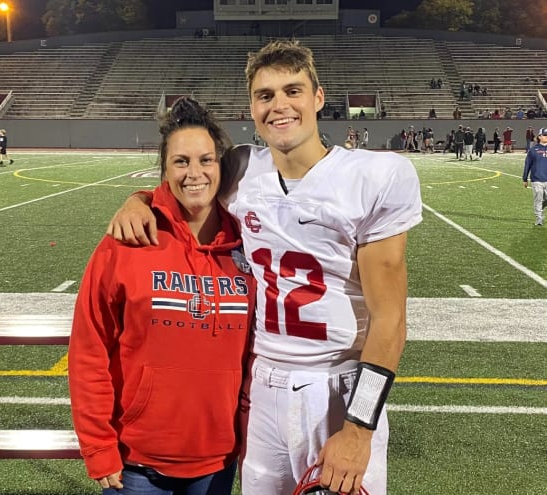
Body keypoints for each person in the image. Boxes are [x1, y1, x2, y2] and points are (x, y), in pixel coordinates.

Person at [107, 40, 422, 495]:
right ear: (252, 107)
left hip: (336, 385)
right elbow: (188, 183)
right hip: (263, 389)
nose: (280, 106)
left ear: (318, 97)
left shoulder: (373, 176)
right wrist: (139, 200)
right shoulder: (240, 169)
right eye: (266, 95)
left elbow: (390, 320)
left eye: (293, 91)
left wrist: (359, 430)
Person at [69, 96, 256, 495]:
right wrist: (98, 447)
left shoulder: (250, 242)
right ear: (165, 169)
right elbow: (89, 349)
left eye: (206, 160)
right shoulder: (128, 239)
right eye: (181, 162)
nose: (195, 173)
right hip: (137, 466)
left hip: (217, 462)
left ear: (220, 166)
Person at [522, 127, 547, 226]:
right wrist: (524, 178)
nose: (546, 137)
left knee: (543, 200)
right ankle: (539, 218)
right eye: (545, 135)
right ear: (539, 136)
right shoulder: (533, 150)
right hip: (537, 179)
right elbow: (527, 164)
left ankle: (540, 209)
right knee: (538, 198)